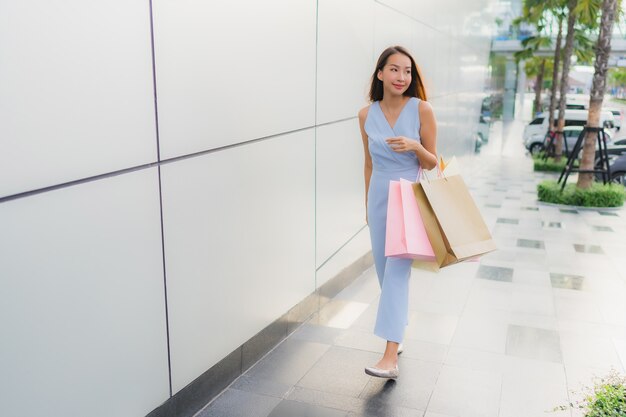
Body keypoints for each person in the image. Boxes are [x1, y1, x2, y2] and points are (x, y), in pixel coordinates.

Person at [357, 46, 437, 379]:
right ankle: (397, 332)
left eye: (407, 71)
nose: (401, 77)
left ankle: (390, 355)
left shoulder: (422, 110)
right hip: (379, 198)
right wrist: (366, 206)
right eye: (394, 70)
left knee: (396, 274)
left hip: (408, 197)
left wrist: (416, 146)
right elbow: (368, 164)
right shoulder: (365, 115)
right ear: (380, 74)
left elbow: (433, 161)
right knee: (383, 271)